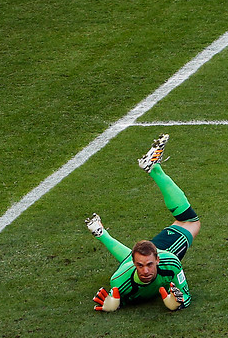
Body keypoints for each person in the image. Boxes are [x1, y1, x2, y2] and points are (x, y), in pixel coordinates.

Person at [86, 134, 200, 312]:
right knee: (190, 222)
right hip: (138, 262)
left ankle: (101, 233)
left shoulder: (170, 262)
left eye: (149, 265)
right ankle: (154, 169)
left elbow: (184, 297)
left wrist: (176, 302)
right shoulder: (120, 281)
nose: (145, 271)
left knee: (187, 222)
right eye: (140, 265)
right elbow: (117, 297)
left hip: (158, 252)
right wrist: (111, 305)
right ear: (133, 263)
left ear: (158, 260)